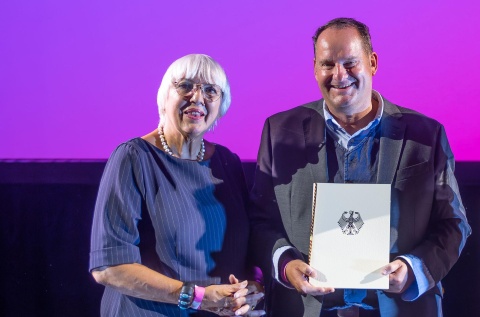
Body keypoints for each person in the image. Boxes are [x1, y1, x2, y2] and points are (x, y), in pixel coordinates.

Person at [249, 18, 471, 317]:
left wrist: (412, 269)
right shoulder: (279, 131)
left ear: (373, 62)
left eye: (350, 63)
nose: (339, 75)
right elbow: (260, 221)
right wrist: (286, 265)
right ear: (315, 68)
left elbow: (454, 224)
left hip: (401, 309)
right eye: (328, 64)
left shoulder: (426, 135)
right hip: (307, 310)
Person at [89, 54, 265, 317]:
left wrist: (251, 288)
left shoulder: (228, 162)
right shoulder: (134, 157)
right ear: (164, 96)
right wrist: (198, 297)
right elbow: (109, 267)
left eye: (210, 91)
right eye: (185, 86)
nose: (197, 98)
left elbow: (246, 251)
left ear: (222, 103)